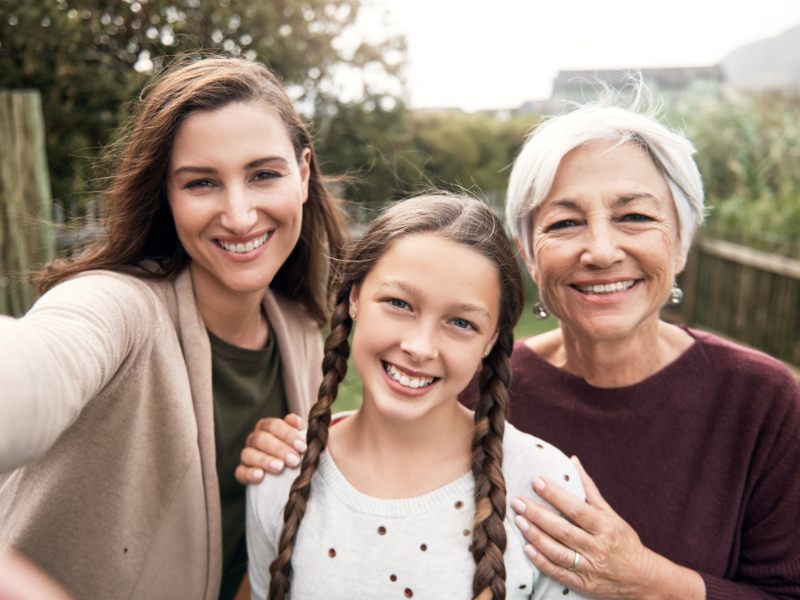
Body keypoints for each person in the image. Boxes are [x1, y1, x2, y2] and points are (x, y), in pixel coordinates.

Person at [239, 89, 800, 599]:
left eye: (634, 216)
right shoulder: (475, 382)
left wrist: (648, 580)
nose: (601, 250)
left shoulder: (763, 402)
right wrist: (293, 444)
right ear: (527, 253)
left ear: (682, 241)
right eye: (564, 223)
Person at [0, 57, 346, 600]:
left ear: (302, 174)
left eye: (263, 174)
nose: (238, 215)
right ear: (166, 195)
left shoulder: (300, 329)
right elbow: (35, 365)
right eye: (202, 182)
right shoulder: (118, 307)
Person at [246, 194, 590, 600]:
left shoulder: (542, 487)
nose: (421, 346)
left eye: (461, 322)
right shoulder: (281, 473)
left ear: (491, 341)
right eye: (398, 303)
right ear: (354, 298)